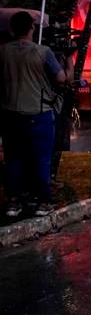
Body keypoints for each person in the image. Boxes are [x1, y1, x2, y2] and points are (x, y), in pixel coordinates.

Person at [0, 11, 68, 217]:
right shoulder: (44, 52)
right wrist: (67, 63)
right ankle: (43, 202)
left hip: (10, 113)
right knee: (41, 158)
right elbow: (61, 78)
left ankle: (13, 202)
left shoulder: (2, 51)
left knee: (13, 158)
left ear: (11, 30)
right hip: (38, 113)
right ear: (32, 28)